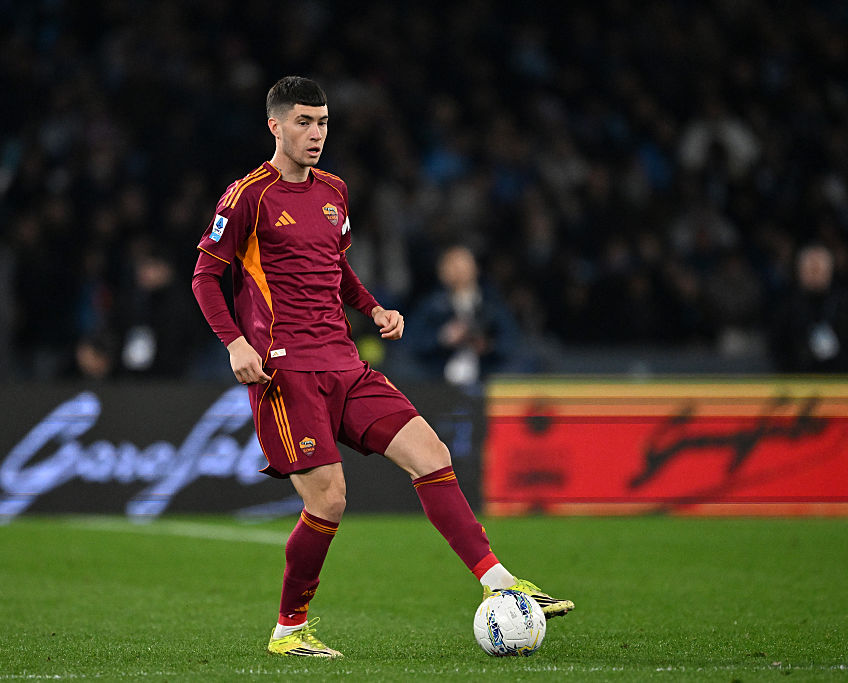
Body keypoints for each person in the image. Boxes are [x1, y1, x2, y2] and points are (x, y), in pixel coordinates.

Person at [191, 76, 573, 658]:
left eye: (322, 123)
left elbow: (336, 269)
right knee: (328, 501)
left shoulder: (335, 191)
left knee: (432, 454)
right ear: (275, 126)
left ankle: (502, 583)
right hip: (285, 372)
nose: (315, 133)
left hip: (345, 363)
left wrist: (373, 308)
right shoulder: (248, 196)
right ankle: (290, 630)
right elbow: (205, 277)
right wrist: (235, 344)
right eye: (303, 122)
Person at [410, 244, 526, 385]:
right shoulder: (432, 305)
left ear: (475, 268)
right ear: (442, 271)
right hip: (438, 379)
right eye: (452, 265)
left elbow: (511, 341)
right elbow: (412, 342)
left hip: (486, 377)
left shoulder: (492, 304)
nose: (459, 271)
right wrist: (443, 338)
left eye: (463, 265)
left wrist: (487, 345)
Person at [768, 243, 848, 372]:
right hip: (797, 376)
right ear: (800, 271)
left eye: (819, 269)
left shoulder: (842, 304)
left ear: (830, 271)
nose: (815, 274)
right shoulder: (786, 305)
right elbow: (777, 346)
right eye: (810, 269)